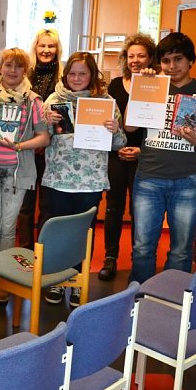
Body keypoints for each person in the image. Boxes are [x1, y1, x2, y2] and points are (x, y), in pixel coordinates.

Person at [127, 33, 196, 284]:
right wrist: (140, 86)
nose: (172, 66)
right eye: (166, 60)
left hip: (188, 180)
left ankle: (173, 299)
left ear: (190, 60)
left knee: (181, 249)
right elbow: (129, 126)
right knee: (142, 247)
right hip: (149, 177)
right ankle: (138, 297)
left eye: (178, 59)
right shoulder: (152, 86)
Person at [42, 51, 126, 307]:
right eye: (72, 73)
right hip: (58, 179)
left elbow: (119, 144)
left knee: (83, 233)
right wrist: (46, 123)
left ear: (92, 75)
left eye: (82, 73)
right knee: (57, 233)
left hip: (90, 181)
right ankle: (56, 280)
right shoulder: (53, 100)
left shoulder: (106, 102)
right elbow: (41, 138)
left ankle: (78, 280)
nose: (77, 78)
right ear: (65, 75)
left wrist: (115, 130)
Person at [0, 48, 50, 258]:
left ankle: (2, 273)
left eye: (18, 66)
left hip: (17, 173)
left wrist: (19, 146)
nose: (13, 70)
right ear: (0, 68)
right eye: (8, 65)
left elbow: (44, 137)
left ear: (26, 70)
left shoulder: (33, 101)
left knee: (7, 228)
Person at [99, 33, 157, 281]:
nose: (135, 60)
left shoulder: (157, 84)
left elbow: (158, 125)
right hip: (116, 154)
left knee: (139, 209)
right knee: (113, 207)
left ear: (150, 58)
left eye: (141, 55)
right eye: (131, 56)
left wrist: (141, 151)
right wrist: (117, 147)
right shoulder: (114, 85)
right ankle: (110, 257)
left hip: (145, 155)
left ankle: (138, 260)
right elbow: (107, 120)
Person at [18, 29, 63, 248]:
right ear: (35, 47)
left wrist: (47, 139)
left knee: (48, 206)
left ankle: (43, 252)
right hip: (27, 148)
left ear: (57, 49)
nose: (46, 50)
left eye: (51, 46)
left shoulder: (64, 78)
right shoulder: (24, 76)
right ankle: (25, 252)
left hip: (53, 150)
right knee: (25, 205)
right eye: (42, 45)